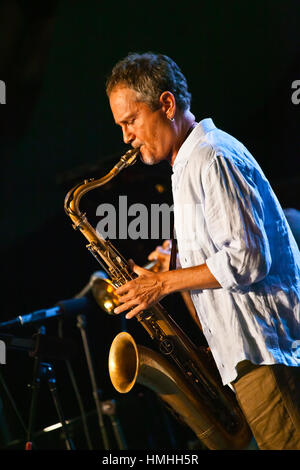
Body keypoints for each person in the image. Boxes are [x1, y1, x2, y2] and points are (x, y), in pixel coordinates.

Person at [105, 52, 300, 450]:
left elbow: (249, 260)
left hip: (265, 355)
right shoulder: (188, 164)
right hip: (246, 355)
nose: (126, 136)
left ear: (166, 104)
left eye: (131, 121)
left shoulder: (211, 156)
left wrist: (163, 284)